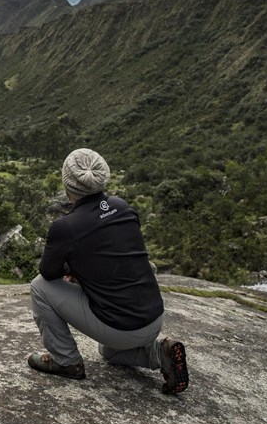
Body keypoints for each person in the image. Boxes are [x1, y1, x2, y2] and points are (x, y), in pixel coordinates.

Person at [26, 148, 189, 395]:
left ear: (67, 183)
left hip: (120, 328)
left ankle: (66, 361)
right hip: (153, 319)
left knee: (39, 286)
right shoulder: (122, 207)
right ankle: (159, 352)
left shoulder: (65, 227)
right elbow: (113, 254)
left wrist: (73, 269)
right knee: (109, 352)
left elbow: (49, 273)